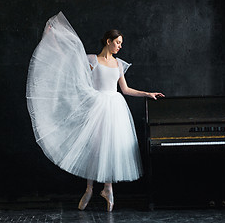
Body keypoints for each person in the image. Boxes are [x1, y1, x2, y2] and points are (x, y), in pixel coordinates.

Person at [26, 12, 164, 212]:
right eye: (117, 42)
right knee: (94, 147)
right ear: (108, 41)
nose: (120, 46)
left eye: (121, 43)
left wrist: (147, 93)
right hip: (97, 106)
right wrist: (52, 39)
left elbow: (125, 90)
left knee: (111, 148)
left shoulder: (118, 64)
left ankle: (108, 188)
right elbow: (68, 62)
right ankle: (89, 188)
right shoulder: (92, 59)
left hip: (115, 107)